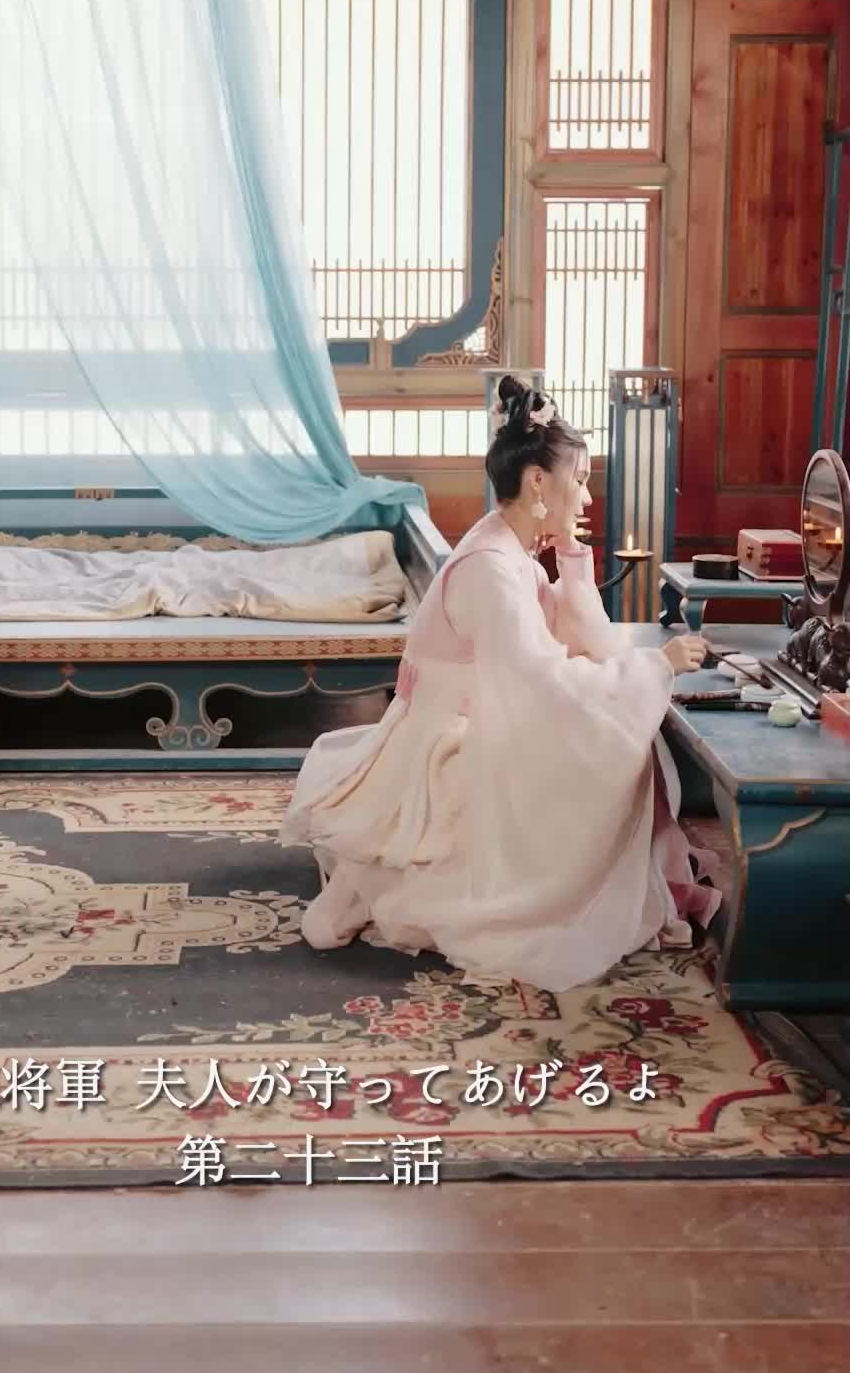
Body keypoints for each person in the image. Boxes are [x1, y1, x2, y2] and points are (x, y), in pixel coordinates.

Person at [280, 375, 721, 992]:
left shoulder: (509, 548)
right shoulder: (489, 566)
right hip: (449, 740)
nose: (587, 496)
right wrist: (654, 667)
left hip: (482, 714)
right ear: (538, 482)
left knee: (624, 736)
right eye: (580, 479)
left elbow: (574, 637)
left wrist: (572, 556)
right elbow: (544, 678)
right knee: (613, 753)